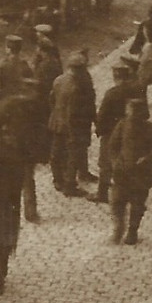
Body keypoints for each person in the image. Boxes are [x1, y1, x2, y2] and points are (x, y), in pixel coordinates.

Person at [104, 98, 152, 245]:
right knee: (117, 202)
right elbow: (112, 146)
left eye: (135, 112)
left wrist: (146, 160)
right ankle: (118, 228)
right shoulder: (122, 126)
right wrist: (116, 162)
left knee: (137, 205)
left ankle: (132, 231)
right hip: (122, 172)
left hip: (141, 174)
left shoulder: (151, 129)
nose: (131, 116)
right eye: (130, 111)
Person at [0, 75, 48, 223]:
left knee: (23, 179)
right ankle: (28, 213)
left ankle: (24, 212)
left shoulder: (15, 104)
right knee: (25, 180)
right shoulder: (33, 105)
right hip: (17, 148)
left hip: (21, 149)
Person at [48, 50, 96, 196]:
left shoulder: (58, 80)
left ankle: (57, 180)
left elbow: (51, 99)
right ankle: (69, 185)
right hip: (71, 125)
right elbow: (76, 110)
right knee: (73, 154)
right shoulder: (77, 87)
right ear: (80, 69)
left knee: (56, 152)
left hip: (56, 121)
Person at [93, 61, 141, 203]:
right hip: (131, 133)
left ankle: (102, 194)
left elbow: (102, 116)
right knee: (128, 160)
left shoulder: (111, 94)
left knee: (106, 163)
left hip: (111, 134)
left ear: (115, 76)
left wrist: (99, 130)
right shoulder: (137, 90)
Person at [0, 34, 32, 104]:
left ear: (8, 49)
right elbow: (30, 82)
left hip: (6, 102)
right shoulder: (24, 64)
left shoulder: (3, 65)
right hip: (20, 102)